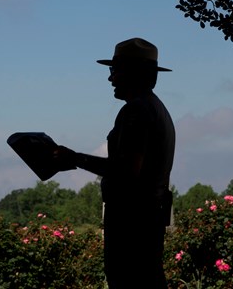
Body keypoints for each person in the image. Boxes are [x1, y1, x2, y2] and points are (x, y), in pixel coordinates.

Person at [53, 38, 175, 288]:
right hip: (147, 219)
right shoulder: (156, 109)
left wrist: (74, 158)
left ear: (134, 74)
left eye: (114, 70)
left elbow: (127, 171)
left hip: (131, 223)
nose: (111, 79)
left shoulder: (136, 111)